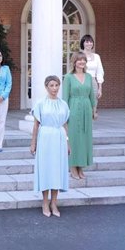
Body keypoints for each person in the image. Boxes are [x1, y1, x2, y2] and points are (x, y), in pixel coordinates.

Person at [29, 75, 70, 218]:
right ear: (46, 87)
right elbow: (35, 125)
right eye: (51, 85)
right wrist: (33, 143)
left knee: (57, 170)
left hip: (59, 137)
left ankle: (54, 202)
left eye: (57, 85)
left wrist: (68, 142)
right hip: (45, 137)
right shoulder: (40, 103)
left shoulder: (63, 104)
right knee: (46, 170)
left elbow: (65, 124)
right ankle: (45, 202)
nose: (54, 88)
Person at [63, 52, 97, 180]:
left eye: (83, 60)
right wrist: (65, 115)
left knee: (85, 139)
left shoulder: (88, 77)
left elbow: (92, 95)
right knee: (73, 138)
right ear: (74, 62)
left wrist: (94, 109)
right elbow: (65, 97)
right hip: (73, 108)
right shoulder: (68, 77)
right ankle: (72, 166)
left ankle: (81, 167)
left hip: (86, 109)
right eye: (79, 60)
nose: (82, 62)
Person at [80, 35, 105, 106]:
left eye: (91, 42)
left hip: (93, 82)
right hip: (81, 81)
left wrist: (100, 88)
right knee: (82, 104)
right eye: (87, 42)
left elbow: (100, 72)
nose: (89, 43)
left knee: (93, 105)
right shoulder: (79, 56)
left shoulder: (97, 57)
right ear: (83, 43)